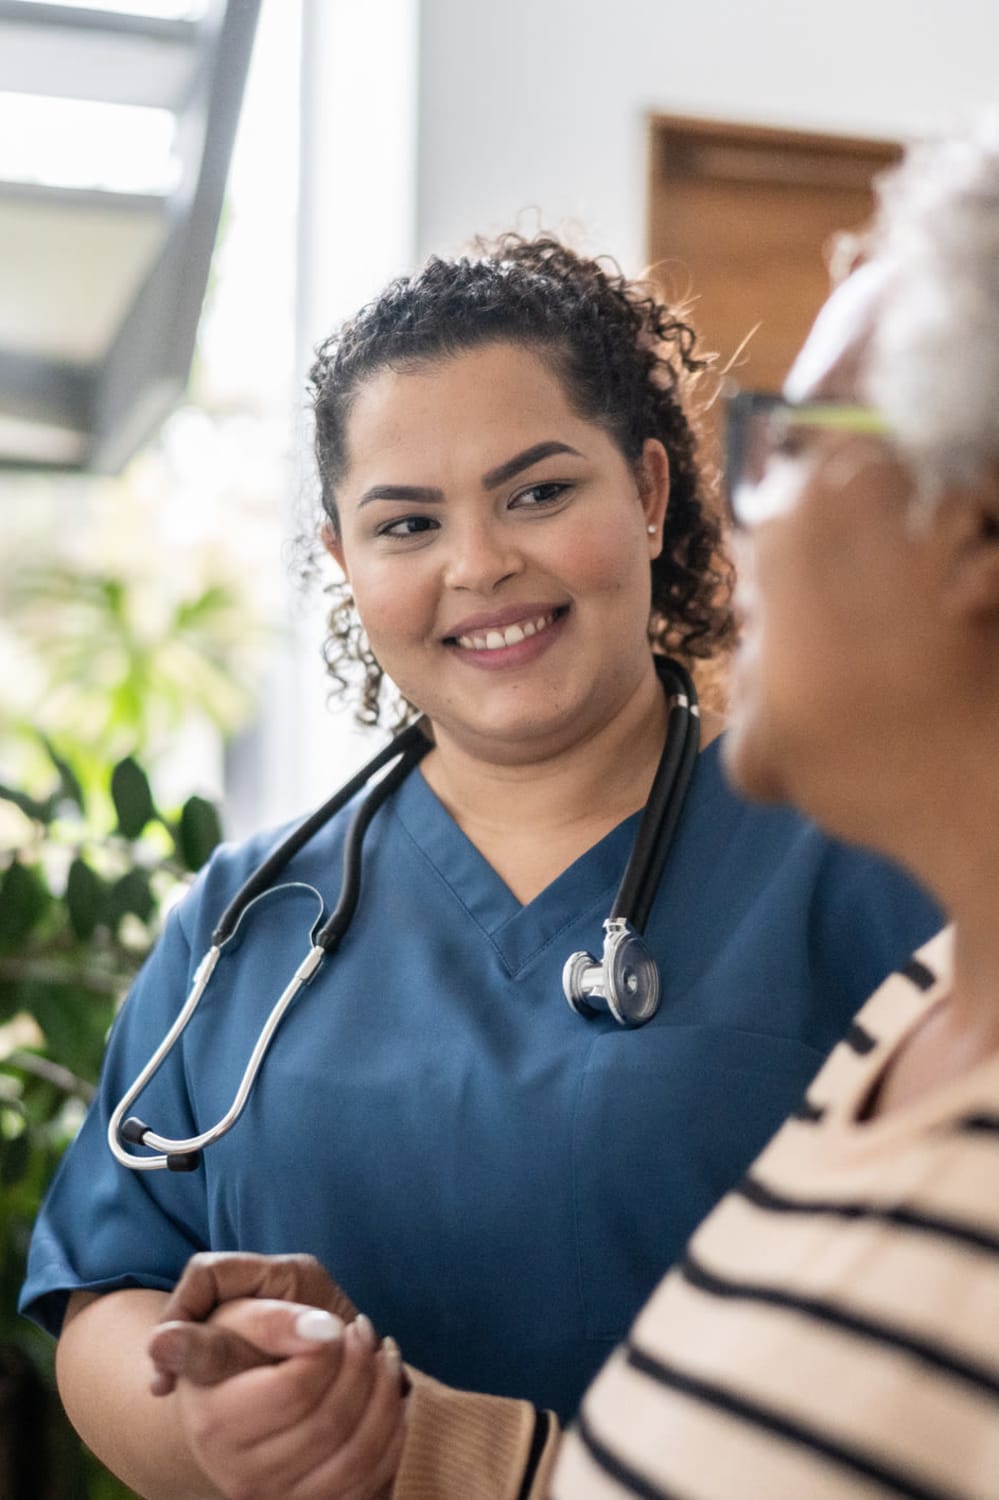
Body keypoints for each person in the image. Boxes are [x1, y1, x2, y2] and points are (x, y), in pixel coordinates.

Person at [21, 234, 940, 1498]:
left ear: (654, 491)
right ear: (346, 565)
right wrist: (241, 1431)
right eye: (406, 524)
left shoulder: (868, 872)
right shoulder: (248, 914)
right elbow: (108, 1296)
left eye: (539, 493)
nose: (479, 565)